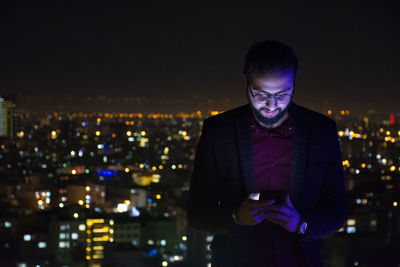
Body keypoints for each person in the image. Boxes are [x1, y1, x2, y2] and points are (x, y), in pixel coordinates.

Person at [186, 40, 347, 267]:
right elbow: (197, 212)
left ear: (294, 85)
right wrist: (236, 217)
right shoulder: (219, 131)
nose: (272, 105)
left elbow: (338, 209)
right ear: (246, 81)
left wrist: (302, 224)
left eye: (282, 94)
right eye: (261, 94)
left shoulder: (321, 131)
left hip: (301, 260)